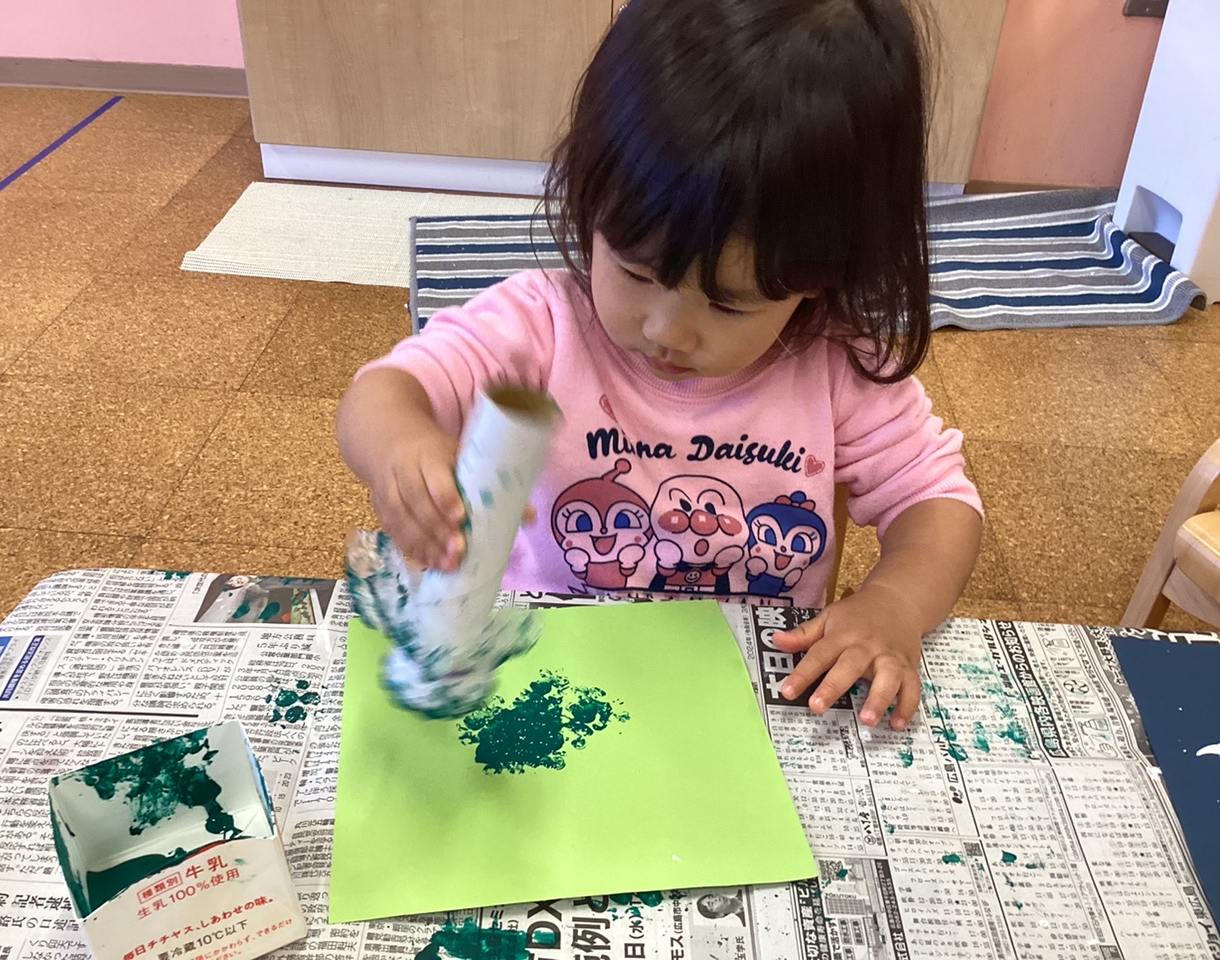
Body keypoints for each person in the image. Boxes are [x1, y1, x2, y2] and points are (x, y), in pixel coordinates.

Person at [337, 0, 983, 731]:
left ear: (822, 274)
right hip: (543, 667)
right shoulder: (541, 324)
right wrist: (400, 447)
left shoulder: (835, 362)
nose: (665, 330)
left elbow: (936, 501)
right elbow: (383, 392)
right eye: (636, 272)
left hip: (735, 697)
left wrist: (893, 604)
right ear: (591, 202)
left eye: (729, 304)